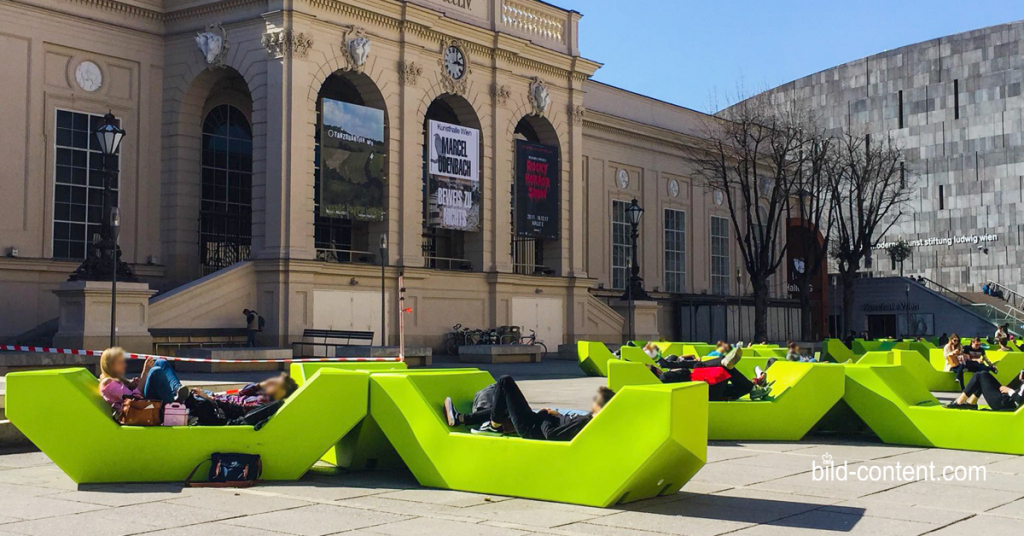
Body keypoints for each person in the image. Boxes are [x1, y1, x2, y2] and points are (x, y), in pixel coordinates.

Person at [443, 376, 613, 441]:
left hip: (531, 427)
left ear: (600, 408)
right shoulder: (589, 419)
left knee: (505, 382)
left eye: (597, 402)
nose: (593, 403)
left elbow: (552, 435)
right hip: (534, 422)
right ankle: (461, 419)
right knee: (506, 405)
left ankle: (494, 426)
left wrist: (546, 414)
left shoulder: (586, 421)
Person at [649, 347, 768, 401]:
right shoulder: (665, 378)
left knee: (728, 374)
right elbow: (688, 371)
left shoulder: (663, 381)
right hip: (709, 393)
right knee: (723, 368)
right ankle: (752, 386)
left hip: (713, 392)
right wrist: (673, 365)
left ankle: (753, 386)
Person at [98, 347, 189, 417]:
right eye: (120, 362)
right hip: (140, 409)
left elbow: (130, 392)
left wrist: (132, 384)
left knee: (161, 362)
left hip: (142, 403)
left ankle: (177, 389)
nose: (124, 364)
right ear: (110, 365)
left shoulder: (114, 379)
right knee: (155, 371)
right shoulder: (108, 383)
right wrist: (144, 372)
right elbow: (135, 397)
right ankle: (173, 404)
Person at [187, 373, 299, 426]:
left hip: (219, 408)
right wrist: (261, 384)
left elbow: (235, 406)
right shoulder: (263, 396)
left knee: (201, 399)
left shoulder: (266, 403)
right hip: (217, 400)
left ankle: (188, 401)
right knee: (202, 394)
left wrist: (209, 398)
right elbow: (242, 392)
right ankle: (187, 399)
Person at [948, 369, 1024, 411]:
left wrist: (1009, 391)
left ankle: (960, 401)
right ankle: (972, 403)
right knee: (984, 377)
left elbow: (1020, 400)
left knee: (980, 375)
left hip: (1005, 404)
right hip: (1007, 400)